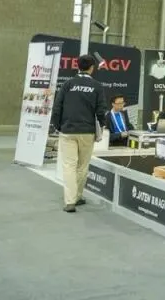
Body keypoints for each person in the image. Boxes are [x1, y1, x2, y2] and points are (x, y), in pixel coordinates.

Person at [51, 54, 109, 213]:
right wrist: (101, 127)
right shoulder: (97, 86)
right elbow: (101, 111)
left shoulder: (68, 84)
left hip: (68, 130)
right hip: (87, 131)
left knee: (69, 166)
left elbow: (57, 107)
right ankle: (77, 196)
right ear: (92, 68)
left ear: (77, 66)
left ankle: (70, 201)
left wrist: (58, 126)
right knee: (82, 166)